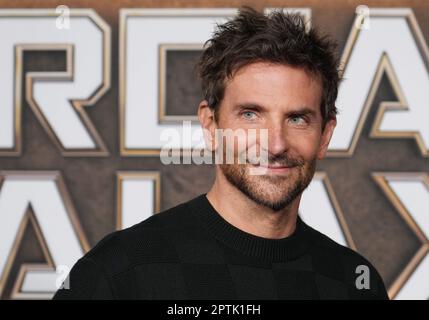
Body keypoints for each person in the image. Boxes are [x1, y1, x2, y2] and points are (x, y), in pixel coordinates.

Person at [53, 6, 389, 300]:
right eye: (250, 114)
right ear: (211, 125)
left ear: (325, 135)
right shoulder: (121, 271)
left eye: (297, 118)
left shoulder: (354, 283)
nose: (275, 145)